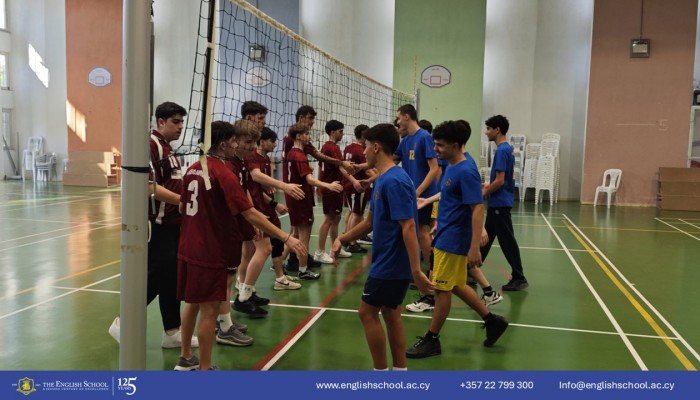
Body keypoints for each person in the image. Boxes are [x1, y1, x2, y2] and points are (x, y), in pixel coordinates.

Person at [175, 120, 306, 371]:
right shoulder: (223, 172)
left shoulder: (193, 167)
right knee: (210, 310)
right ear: (224, 143)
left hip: (188, 246)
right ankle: (205, 368)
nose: (238, 145)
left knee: (192, 302)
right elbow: (249, 213)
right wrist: (286, 237)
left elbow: (183, 206)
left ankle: (185, 357)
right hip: (210, 250)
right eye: (236, 140)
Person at [331, 123, 433, 370]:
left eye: (366, 146)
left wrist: (416, 271)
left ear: (376, 147)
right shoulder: (383, 179)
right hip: (387, 261)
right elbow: (368, 223)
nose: (364, 152)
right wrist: (342, 239)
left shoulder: (394, 181)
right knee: (390, 313)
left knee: (366, 313)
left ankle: (381, 374)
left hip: (390, 264)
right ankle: (399, 371)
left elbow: (409, 227)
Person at [406, 120, 508, 359]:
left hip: (453, 241)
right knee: (457, 285)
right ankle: (492, 321)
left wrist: (474, 247)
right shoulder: (451, 165)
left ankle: (432, 339)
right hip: (445, 234)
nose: (435, 149)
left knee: (442, 291)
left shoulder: (466, 169)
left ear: (455, 145)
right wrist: (432, 209)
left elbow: (476, 208)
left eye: (439, 145)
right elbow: (451, 196)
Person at [108, 101, 199, 349]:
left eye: (182, 121)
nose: (180, 127)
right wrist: (182, 200)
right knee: (157, 279)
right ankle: (122, 322)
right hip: (157, 225)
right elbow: (148, 187)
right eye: (175, 122)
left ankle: (172, 332)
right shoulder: (151, 145)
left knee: (171, 279)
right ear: (160, 121)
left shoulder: (169, 148)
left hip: (173, 224)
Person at [282, 106, 354, 271]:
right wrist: (339, 166)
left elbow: (312, 156)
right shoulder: (292, 142)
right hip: (295, 188)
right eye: (310, 119)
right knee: (297, 229)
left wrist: (305, 167)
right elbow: (317, 156)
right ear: (301, 118)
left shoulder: (299, 144)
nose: (313, 123)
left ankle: (299, 258)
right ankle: (289, 262)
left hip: (301, 186)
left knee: (305, 225)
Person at [394, 104, 439, 312]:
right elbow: (391, 161)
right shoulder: (406, 140)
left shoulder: (424, 137)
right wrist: (366, 170)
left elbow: (434, 169)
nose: (397, 122)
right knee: (410, 231)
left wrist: (419, 191)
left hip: (424, 197)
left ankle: (432, 275)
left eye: (398, 118)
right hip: (411, 196)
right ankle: (419, 275)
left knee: (422, 233)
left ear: (406, 116)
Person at [481, 115, 528, 291]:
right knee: (485, 238)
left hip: (500, 203)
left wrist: (485, 191)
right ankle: (472, 269)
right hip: (498, 202)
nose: (486, 132)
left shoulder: (501, 150)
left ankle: (519, 276)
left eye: (488, 129)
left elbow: (500, 180)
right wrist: (488, 185)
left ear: (497, 129)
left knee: (507, 241)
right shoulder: (506, 149)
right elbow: (502, 179)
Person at [315, 120, 352, 263]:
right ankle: (320, 252)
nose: (342, 134)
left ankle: (334, 248)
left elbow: (321, 166)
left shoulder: (327, 147)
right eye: (340, 131)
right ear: (333, 132)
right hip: (332, 187)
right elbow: (341, 167)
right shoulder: (332, 148)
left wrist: (319, 186)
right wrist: (352, 177)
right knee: (329, 219)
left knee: (336, 218)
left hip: (333, 186)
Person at [341, 124, 374, 254]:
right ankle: (352, 242)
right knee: (357, 214)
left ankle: (347, 238)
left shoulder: (348, 147)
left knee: (352, 212)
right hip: (358, 186)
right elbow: (367, 171)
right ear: (363, 135)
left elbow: (343, 167)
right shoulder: (361, 151)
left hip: (348, 184)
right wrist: (378, 175)